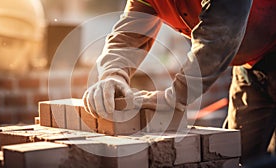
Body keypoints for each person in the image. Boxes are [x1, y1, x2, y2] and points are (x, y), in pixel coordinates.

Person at [82, 0, 276, 164]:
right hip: (251, 68)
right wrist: (112, 74)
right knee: (238, 158)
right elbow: (129, 33)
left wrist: (175, 97)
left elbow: (219, 34)